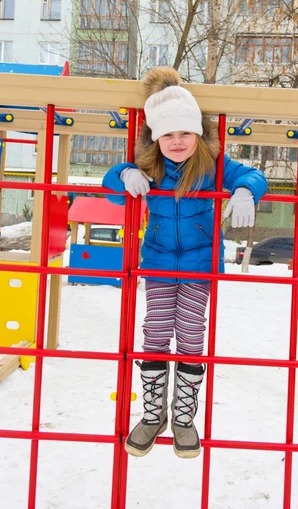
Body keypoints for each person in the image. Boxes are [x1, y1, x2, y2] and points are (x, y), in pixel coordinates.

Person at [103, 66, 267, 460]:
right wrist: (124, 173)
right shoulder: (149, 164)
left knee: (191, 333)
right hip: (159, 263)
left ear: (198, 134)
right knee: (155, 330)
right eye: (168, 135)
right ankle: (153, 411)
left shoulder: (211, 165)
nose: (177, 142)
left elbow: (253, 174)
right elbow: (109, 189)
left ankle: (183, 416)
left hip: (199, 266)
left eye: (185, 133)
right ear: (156, 138)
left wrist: (245, 190)